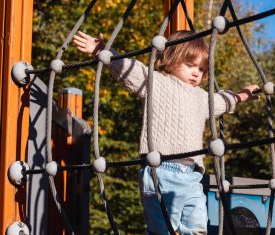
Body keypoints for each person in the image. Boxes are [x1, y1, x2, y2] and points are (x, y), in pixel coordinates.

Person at [73, 30, 260, 235]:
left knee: (198, 228)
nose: (196, 73)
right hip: (161, 171)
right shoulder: (155, 82)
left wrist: (242, 95)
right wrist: (101, 50)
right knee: (162, 230)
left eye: (201, 68)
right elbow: (129, 68)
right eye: (190, 65)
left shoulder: (200, 97)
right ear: (171, 59)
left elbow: (222, 101)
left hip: (193, 177)